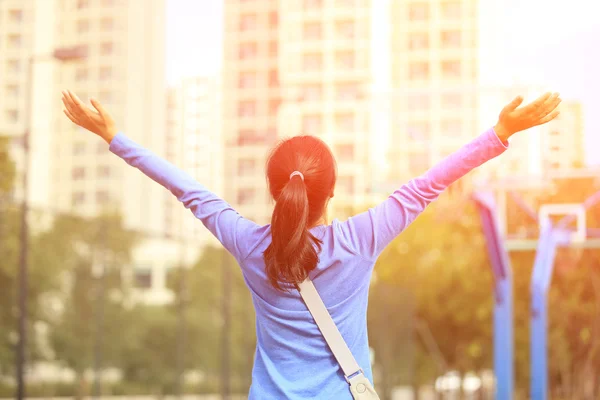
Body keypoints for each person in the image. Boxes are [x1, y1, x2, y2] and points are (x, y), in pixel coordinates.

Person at [62, 90, 561, 399]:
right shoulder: (361, 238)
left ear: (273, 192)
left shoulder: (247, 242)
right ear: (333, 191)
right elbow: (427, 184)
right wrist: (500, 132)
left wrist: (114, 135)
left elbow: (187, 190)